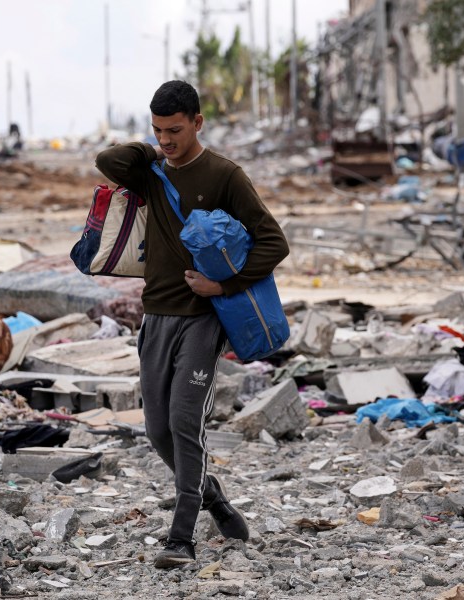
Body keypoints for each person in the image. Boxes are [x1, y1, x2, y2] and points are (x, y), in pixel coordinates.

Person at [95, 81, 289, 569]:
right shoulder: (152, 172)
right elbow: (107, 162)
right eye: (158, 131)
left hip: (203, 321)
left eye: (175, 130)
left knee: (185, 423)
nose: (167, 140)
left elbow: (273, 243)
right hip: (155, 316)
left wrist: (221, 287)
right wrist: (148, 149)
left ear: (198, 122)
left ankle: (180, 539)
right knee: (157, 431)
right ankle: (215, 499)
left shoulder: (225, 175)